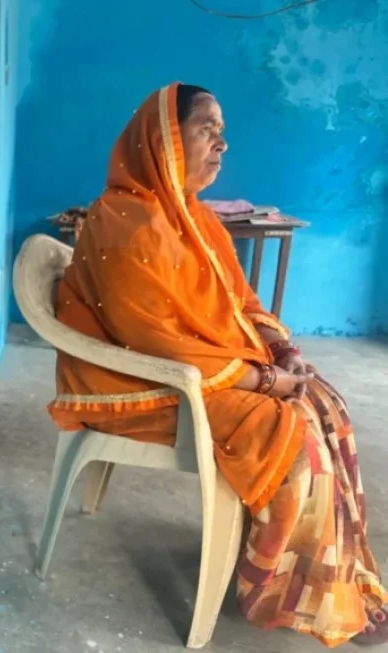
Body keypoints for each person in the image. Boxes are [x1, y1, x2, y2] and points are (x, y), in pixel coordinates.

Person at [48, 82, 387, 647]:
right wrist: (261, 379)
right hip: (141, 383)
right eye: (208, 128)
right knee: (289, 433)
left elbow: (241, 302)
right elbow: (156, 342)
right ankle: (280, 591)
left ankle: (329, 575)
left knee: (324, 402)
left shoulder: (194, 218)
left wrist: (281, 349)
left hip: (195, 370)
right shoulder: (125, 222)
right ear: (163, 138)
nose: (222, 144)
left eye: (222, 133)